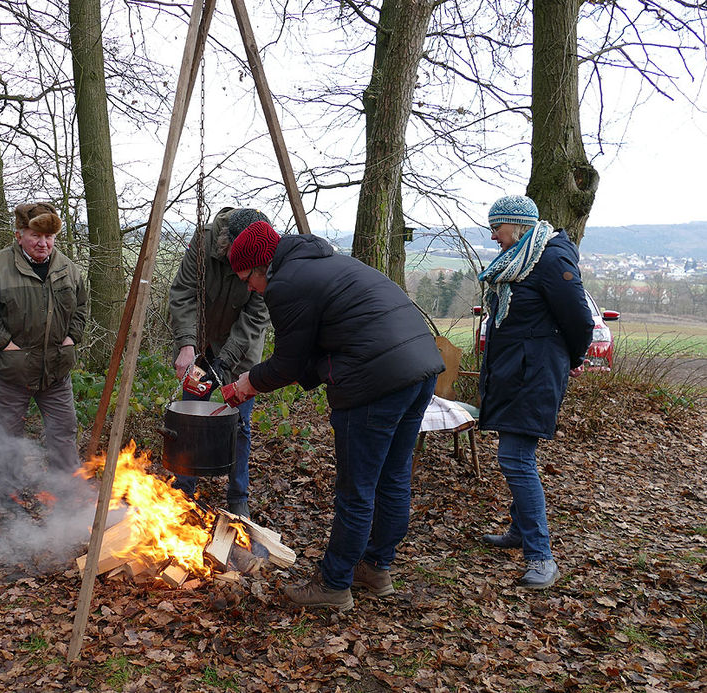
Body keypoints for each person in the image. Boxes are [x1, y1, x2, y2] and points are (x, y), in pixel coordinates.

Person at [227, 221, 445, 612]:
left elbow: (288, 364)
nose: (249, 288)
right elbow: (324, 345)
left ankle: (334, 584)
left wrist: (248, 383)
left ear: (261, 267)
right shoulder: (321, 262)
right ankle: (376, 568)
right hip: (420, 369)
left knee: (356, 489)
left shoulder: (287, 283)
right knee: (393, 477)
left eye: (247, 278)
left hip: (375, 382)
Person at [477, 195, 594, 589]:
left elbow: (579, 318)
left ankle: (541, 557)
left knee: (515, 458)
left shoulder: (550, 259)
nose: (494, 237)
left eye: (498, 228)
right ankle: (519, 532)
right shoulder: (523, 258)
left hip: (535, 373)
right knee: (517, 454)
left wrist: (574, 358)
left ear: (518, 226)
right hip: (517, 370)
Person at [0, 202, 88, 478]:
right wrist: (4, 344)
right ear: (19, 235)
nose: (43, 244)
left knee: (64, 433)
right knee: (8, 440)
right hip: (9, 372)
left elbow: (81, 307)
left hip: (55, 370)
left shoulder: (68, 269)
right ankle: (10, 504)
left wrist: (72, 337)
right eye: (35, 236)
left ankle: (69, 499)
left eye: (49, 237)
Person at [168, 207, 271, 519]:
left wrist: (229, 358)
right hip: (202, 348)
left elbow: (257, 316)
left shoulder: (265, 253)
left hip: (242, 354)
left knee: (239, 423)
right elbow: (183, 293)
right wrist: (187, 344)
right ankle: (184, 486)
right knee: (190, 411)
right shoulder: (203, 243)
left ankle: (238, 495)